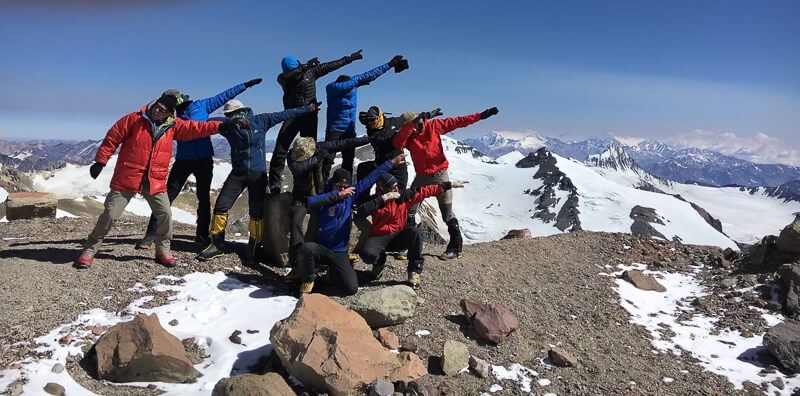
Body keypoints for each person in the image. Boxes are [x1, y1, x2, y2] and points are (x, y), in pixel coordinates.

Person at [74, 90, 234, 269]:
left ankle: (162, 250)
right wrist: (100, 161)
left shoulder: (173, 126)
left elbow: (196, 128)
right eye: (157, 106)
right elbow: (112, 137)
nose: (157, 111)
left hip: (154, 179)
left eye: (163, 109)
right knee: (111, 214)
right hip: (128, 176)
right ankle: (90, 249)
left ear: (170, 113)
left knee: (165, 214)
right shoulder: (134, 119)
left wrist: (220, 127)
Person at [136, 78, 263, 250]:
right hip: (183, 159)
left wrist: (245, 86)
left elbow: (224, 96)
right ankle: (150, 234)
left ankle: (201, 235)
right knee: (167, 197)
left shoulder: (201, 106)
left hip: (204, 159)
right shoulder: (171, 116)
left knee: (203, 198)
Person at [198, 99, 319, 264]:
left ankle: (253, 249)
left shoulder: (261, 120)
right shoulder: (228, 125)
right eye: (226, 116)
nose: (228, 117)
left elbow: (285, 114)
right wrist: (226, 124)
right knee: (221, 206)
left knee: (256, 213)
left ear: (240, 112)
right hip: (237, 173)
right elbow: (207, 122)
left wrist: (308, 108)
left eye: (230, 115)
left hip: (258, 174)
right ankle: (217, 245)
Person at [392, 107, 499, 260]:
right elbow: (397, 142)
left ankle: (455, 247)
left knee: (447, 213)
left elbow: (459, 122)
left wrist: (481, 115)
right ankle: (409, 245)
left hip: (439, 175)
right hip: (421, 176)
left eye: (411, 126)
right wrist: (410, 128)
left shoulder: (434, 126)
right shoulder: (408, 136)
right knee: (409, 209)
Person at [295, 153, 406, 295]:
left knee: (351, 288)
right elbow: (311, 202)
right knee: (305, 249)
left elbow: (370, 178)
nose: (343, 190)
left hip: (339, 251)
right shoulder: (326, 194)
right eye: (339, 186)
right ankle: (309, 281)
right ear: (332, 184)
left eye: (345, 187)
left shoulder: (351, 195)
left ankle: (332, 275)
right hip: (321, 248)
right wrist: (337, 196)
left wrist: (390, 163)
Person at [268, 50, 364, 194]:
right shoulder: (285, 79)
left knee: (312, 152)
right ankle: (275, 182)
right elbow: (285, 76)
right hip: (292, 115)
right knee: (281, 147)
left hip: (309, 117)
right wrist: (304, 67)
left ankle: (314, 185)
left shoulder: (310, 72)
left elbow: (330, 66)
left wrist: (349, 59)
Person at [356, 172, 466, 288]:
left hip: (399, 235)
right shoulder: (376, 201)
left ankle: (414, 271)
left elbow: (426, 190)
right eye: (391, 187)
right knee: (367, 254)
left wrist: (449, 185)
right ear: (382, 188)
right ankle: (379, 264)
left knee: (415, 232)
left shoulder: (403, 196)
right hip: (380, 237)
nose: (395, 189)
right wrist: (382, 199)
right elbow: (361, 211)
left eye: (396, 186)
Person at [286, 135, 372, 267]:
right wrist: (318, 158)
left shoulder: (320, 147)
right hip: (301, 198)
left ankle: (333, 254)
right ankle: (296, 260)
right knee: (297, 222)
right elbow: (300, 168)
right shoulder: (292, 156)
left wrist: (369, 139)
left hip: (321, 195)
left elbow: (345, 142)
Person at [322, 55, 408, 178]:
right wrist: (355, 83)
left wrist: (390, 65)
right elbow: (344, 86)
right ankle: (322, 189)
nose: (350, 92)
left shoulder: (353, 84)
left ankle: (346, 189)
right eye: (348, 90)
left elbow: (371, 74)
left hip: (349, 131)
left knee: (348, 162)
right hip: (334, 130)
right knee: (327, 161)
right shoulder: (332, 89)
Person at [355, 107, 442, 205]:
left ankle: (399, 215)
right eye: (368, 120)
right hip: (381, 164)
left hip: (398, 165)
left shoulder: (393, 122)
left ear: (380, 117)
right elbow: (381, 136)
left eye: (373, 119)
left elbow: (410, 117)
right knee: (363, 169)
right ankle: (362, 202)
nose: (370, 122)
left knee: (399, 196)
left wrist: (429, 114)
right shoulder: (372, 132)